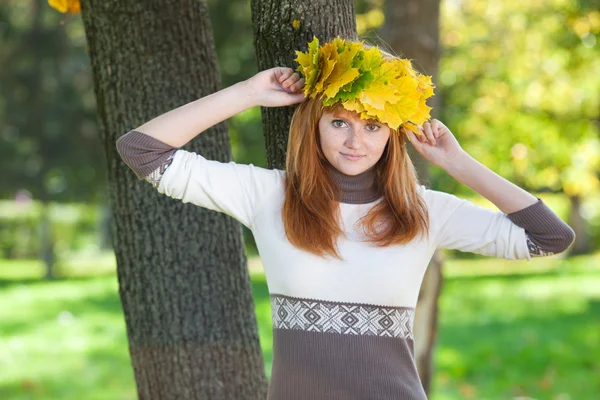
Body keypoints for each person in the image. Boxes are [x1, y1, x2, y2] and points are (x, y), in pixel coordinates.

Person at [116, 36, 575, 400]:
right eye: (339, 122)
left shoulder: (425, 210)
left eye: (373, 126)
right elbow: (141, 150)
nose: (356, 141)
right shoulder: (268, 194)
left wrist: (458, 164)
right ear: (314, 124)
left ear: (393, 134)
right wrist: (249, 92)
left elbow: (549, 237)